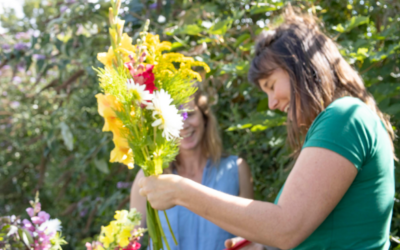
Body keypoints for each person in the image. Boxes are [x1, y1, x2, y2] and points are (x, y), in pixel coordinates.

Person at [137, 7, 396, 250]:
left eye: (271, 85)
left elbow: (286, 227)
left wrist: (182, 192)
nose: (272, 103)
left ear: (300, 65)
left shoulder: (344, 117)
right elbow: (327, 231)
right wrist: (262, 244)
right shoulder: (343, 119)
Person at [130, 90, 256, 250]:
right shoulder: (149, 176)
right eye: (174, 118)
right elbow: (131, 238)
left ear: (205, 118)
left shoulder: (237, 170)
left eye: (189, 114)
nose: (183, 124)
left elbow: (251, 233)